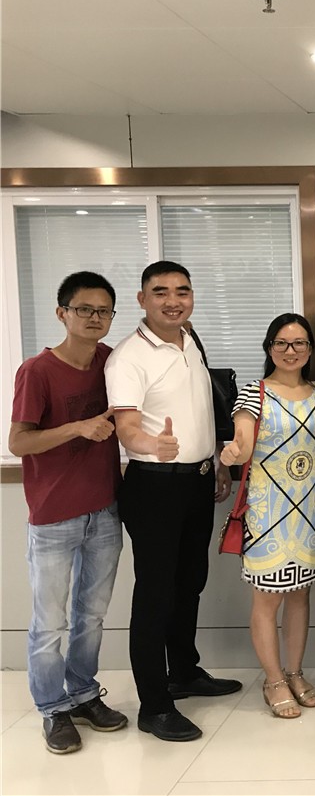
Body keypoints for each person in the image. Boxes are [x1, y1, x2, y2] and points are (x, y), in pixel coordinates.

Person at [106, 261, 239, 743]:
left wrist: (216, 461)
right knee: (155, 595)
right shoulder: (128, 357)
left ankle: (184, 672)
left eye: (182, 291)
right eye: (160, 292)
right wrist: (151, 445)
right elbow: (126, 427)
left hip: (197, 481)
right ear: (142, 300)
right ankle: (154, 705)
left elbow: (202, 408)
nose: (173, 300)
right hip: (155, 486)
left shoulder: (190, 341)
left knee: (190, 583)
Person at [8, 272, 128, 754]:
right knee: (49, 622)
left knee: (92, 615)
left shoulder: (112, 362)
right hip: (54, 515)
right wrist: (77, 428)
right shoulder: (37, 371)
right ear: (62, 313)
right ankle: (51, 708)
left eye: (104, 311)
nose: (94, 318)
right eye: (84, 309)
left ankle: (82, 693)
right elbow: (18, 442)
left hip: (105, 509)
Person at [219, 314, 315, 718]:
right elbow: (242, 442)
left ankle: (294, 672)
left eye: (299, 343)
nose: (291, 351)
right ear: (269, 347)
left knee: (301, 595)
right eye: (282, 343)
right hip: (267, 513)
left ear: (310, 349)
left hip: (310, 511)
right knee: (267, 599)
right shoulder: (253, 393)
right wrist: (233, 453)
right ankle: (273, 680)